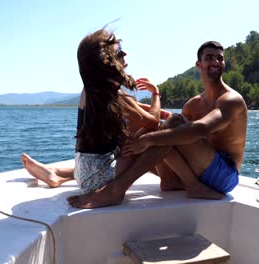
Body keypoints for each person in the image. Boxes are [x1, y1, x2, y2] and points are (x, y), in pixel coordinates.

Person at [67, 40, 248, 208]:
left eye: (220, 58)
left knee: (166, 129)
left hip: (224, 176)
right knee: (165, 129)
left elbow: (201, 129)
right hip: (199, 170)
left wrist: (148, 139)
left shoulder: (231, 100)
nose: (216, 61)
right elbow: (168, 134)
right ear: (198, 65)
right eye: (209, 58)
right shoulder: (193, 104)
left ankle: (189, 186)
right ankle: (170, 181)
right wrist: (157, 129)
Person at [21, 28, 170, 194]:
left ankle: (58, 174)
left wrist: (153, 112)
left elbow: (133, 109)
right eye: (119, 52)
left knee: (135, 131)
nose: (125, 53)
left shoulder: (92, 89)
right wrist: (155, 93)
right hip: (98, 178)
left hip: (84, 172)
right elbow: (152, 121)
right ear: (107, 61)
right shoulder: (112, 92)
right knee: (162, 130)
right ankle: (174, 181)